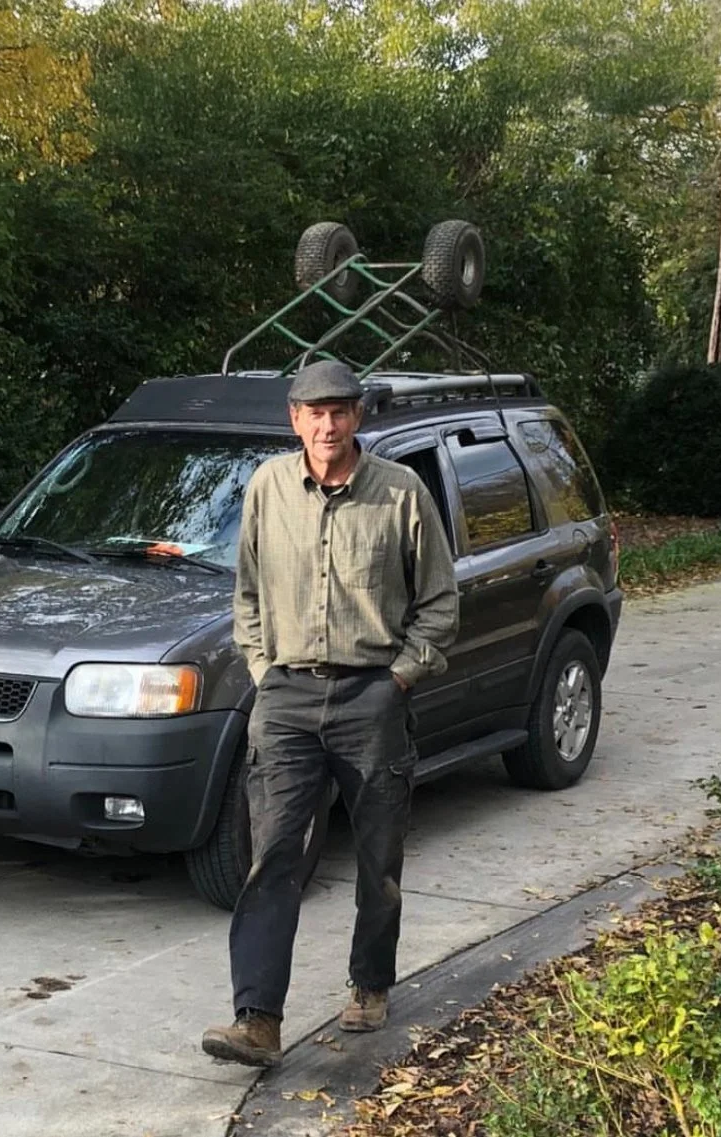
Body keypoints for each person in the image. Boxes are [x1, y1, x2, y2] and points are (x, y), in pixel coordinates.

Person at [201, 359, 459, 1068]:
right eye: (313, 413)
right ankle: (256, 1019)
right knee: (273, 856)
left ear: (357, 416)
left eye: (339, 411)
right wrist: (263, 670)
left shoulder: (401, 492)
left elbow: (440, 602)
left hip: (371, 696)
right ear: (294, 419)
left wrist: (398, 678)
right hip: (285, 697)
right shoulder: (267, 487)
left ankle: (370, 983)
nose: (327, 425)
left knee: (378, 856)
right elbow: (247, 594)